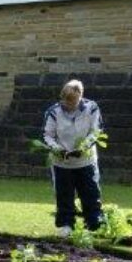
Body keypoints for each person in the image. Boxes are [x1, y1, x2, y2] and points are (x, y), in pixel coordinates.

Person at [43, 79, 105, 238]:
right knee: (64, 195)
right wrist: (57, 149)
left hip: (86, 161)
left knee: (90, 193)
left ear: (80, 96)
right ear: (62, 97)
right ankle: (66, 225)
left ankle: (94, 224)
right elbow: (47, 135)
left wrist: (84, 147)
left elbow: (96, 132)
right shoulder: (53, 112)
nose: (70, 104)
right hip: (61, 163)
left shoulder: (91, 108)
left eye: (73, 101)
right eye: (67, 100)